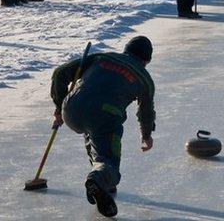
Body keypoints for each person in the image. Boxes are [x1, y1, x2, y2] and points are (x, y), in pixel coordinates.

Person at [50, 36, 156, 218]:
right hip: (105, 114)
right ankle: (100, 178)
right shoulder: (144, 78)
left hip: (72, 108)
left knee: (92, 131)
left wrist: (60, 107)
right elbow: (145, 112)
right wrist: (146, 135)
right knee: (110, 163)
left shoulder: (102, 57)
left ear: (125, 50)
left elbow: (60, 73)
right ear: (146, 61)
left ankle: (101, 178)